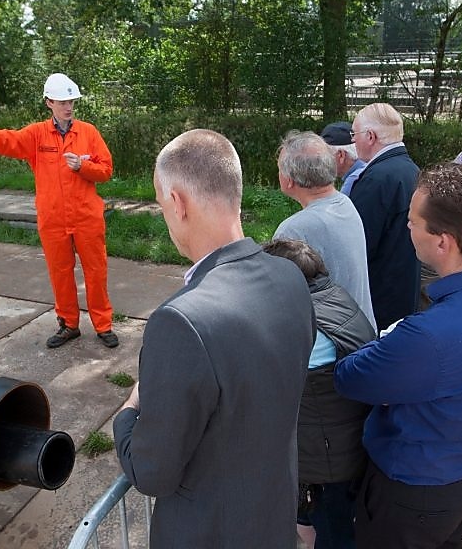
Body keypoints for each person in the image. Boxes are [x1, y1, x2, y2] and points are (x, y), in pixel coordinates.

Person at [114, 129, 315, 549]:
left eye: (161, 204)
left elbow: (152, 471)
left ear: (177, 203)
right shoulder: (290, 276)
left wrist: (128, 412)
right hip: (273, 520)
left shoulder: (180, 322)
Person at [335, 163, 462, 549]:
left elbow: (351, 377)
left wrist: (391, 340)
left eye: (413, 221)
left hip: (413, 496)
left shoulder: (429, 335)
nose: (407, 227)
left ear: (444, 242)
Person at [0, 73, 119, 349]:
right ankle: (68, 325)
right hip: (52, 218)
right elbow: (8, 139)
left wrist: (83, 167)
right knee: (60, 272)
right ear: (48, 103)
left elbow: (106, 170)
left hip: (86, 217)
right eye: (62, 102)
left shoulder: (88, 132)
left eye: (71, 101)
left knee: (96, 271)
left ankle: (103, 325)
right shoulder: (36, 135)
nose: (68, 107)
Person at [263, 239, 376, 549]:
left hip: (326, 462)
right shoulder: (334, 298)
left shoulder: (304, 324)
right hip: (348, 445)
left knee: (335, 536)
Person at [274, 131, 376, 331]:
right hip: (361, 331)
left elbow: (280, 301)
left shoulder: (294, 229)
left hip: (332, 342)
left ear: (289, 180)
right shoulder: (344, 203)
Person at [348, 103, 421, 329]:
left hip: (378, 294)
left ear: (370, 136)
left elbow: (358, 243)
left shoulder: (377, 179)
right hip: (404, 284)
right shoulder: (410, 169)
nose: (353, 141)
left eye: (354, 135)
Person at [321, 121, 367, 195]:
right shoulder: (370, 167)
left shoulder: (353, 181)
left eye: (324, 156)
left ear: (341, 155)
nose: (321, 162)